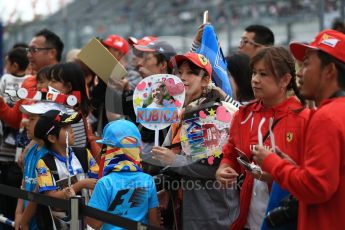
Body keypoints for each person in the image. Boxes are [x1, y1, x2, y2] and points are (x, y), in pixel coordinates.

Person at [252, 29, 345, 230]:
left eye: (307, 64)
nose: (300, 72)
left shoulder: (326, 117)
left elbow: (316, 187)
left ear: (329, 71)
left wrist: (272, 163)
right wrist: (294, 168)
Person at [216, 47, 309, 230]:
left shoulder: (304, 118)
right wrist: (224, 168)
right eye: (254, 73)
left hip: (288, 217)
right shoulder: (243, 115)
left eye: (263, 74)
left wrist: (275, 174)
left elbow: (310, 175)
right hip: (248, 219)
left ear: (285, 80)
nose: (255, 80)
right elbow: (231, 153)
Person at [152, 52, 240, 230]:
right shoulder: (186, 111)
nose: (183, 78)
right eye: (179, 72)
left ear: (205, 80)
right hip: (192, 209)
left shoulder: (210, 114)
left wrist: (173, 160)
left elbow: (212, 168)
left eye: (191, 73)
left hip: (211, 214)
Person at [86, 119, 160, 229]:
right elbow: (154, 222)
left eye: (105, 148)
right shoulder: (148, 180)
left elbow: (94, 223)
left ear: (112, 151)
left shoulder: (105, 183)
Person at [35, 110, 98, 229]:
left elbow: (97, 182)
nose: (72, 130)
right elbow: (50, 197)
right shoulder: (44, 163)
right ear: (52, 138)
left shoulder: (84, 153)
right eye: (66, 128)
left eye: (71, 126)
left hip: (90, 221)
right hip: (62, 223)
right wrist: (80, 185)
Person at [14, 102, 67, 230]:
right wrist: (18, 213)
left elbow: (39, 193)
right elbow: (24, 183)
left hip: (42, 222)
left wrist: (24, 219)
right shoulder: (31, 151)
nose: (26, 122)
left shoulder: (49, 157)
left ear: (46, 125)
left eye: (32, 119)